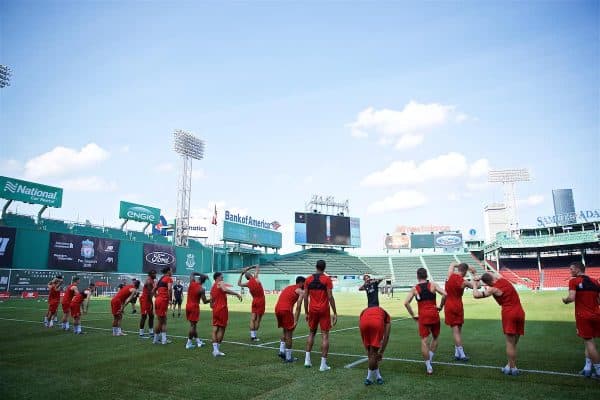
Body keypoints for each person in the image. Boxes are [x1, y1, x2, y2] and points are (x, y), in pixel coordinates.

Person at [473, 272, 525, 376]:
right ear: (492, 278)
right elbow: (493, 274)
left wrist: (475, 284)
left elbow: (476, 295)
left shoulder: (493, 289)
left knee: (510, 343)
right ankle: (509, 365)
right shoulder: (503, 280)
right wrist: (481, 276)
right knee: (514, 343)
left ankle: (513, 368)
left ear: (486, 283)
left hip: (509, 313)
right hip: (520, 312)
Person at [404, 267, 447, 375]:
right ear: (426, 275)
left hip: (423, 316)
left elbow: (406, 303)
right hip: (434, 314)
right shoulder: (433, 285)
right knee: (435, 337)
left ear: (417, 276)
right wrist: (441, 306)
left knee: (424, 340)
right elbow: (445, 294)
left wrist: (413, 315)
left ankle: (428, 366)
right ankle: (430, 358)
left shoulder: (415, 288)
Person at [562, 262, 600, 378]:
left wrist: (565, 300)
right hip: (597, 315)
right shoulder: (595, 281)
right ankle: (587, 368)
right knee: (589, 342)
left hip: (583, 316)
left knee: (589, 342)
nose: (570, 271)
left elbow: (571, 298)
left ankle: (598, 370)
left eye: (571, 269)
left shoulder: (573, 281)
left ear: (578, 269)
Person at [303, 259, 338, 371]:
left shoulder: (308, 279)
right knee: (325, 335)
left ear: (316, 266)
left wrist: (306, 312)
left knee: (311, 333)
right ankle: (323, 365)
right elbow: (330, 297)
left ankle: (307, 361)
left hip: (312, 310)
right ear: (324, 267)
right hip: (324, 310)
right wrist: (335, 312)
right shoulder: (327, 279)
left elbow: (305, 297)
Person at [439, 262, 477, 361]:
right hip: (458, 305)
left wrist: (440, 306)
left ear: (458, 269)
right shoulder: (464, 282)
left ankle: (457, 353)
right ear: (465, 271)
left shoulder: (450, 275)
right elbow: (476, 287)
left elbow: (452, 264)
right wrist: (474, 273)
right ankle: (462, 354)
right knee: (458, 331)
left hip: (449, 305)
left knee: (456, 331)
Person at [210, 271, 242, 357]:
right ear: (217, 278)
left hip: (215, 310)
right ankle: (217, 350)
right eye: (221, 277)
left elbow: (211, 302)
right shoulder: (220, 283)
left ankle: (215, 350)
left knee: (215, 329)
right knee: (222, 329)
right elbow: (224, 289)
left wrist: (214, 307)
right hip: (222, 309)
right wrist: (236, 294)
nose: (223, 278)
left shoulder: (212, 287)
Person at [275, 276, 306, 362]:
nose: (305, 285)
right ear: (301, 283)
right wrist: (295, 321)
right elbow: (298, 307)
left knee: (285, 331)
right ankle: (288, 358)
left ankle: (281, 351)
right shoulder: (300, 291)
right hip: (286, 310)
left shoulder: (289, 287)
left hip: (277, 309)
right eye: (305, 283)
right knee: (289, 334)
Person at [359, 305, 391, 385]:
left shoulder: (365, 310)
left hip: (363, 322)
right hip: (376, 323)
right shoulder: (387, 317)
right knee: (374, 354)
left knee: (371, 353)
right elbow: (386, 336)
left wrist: (367, 348)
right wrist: (381, 352)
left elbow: (360, 322)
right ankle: (368, 378)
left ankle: (378, 376)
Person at [237, 265, 266, 341]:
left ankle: (252, 336)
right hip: (261, 300)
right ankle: (255, 336)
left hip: (254, 301)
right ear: (250, 275)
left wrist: (242, 274)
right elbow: (257, 266)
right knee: (258, 319)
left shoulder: (248, 284)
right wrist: (249, 267)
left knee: (253, 319)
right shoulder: (256, 278)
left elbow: (239, 284)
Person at [185, 272, 210, 349]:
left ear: (198, 278)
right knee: (193, 326)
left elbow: (192, 273)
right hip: (194, 307)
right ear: (203, 282)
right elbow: (205, 301)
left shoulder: (192, 282)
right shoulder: (201, 289)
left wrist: (202, 274)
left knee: (193, 325)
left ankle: (198, 341)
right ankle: (188, 343)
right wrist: (213, 299)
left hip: (188, 306)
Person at [153, 267, 174, 344]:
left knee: (163, 320)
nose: (172, 272)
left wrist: (157, 296)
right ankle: (156, 340)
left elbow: (153, 290)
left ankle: (163, 340)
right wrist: (170, 300)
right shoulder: (169, 278)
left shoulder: (161, 279)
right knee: (161, 321)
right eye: (171, 270)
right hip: (163, 301)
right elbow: (169, 289)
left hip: (158, 300)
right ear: (168, 271)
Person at [139, 270, 157, 338]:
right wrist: (152, 303)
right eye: (154, 273)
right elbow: (150, 293)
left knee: (151, 316)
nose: (155, 274)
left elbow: (152, 293)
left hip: (148, 300)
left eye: (155, 273)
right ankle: (141, 334)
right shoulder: (149, 281)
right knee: (144, 316)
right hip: (145, 300)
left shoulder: (152, 281)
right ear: (150, 274)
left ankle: (151, 332)